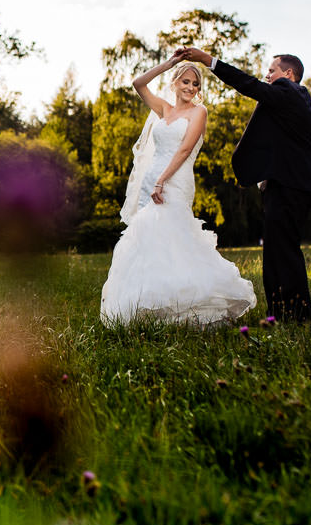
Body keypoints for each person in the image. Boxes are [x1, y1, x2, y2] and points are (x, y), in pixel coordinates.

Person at [100, 50, 256, 325]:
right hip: (152, 178)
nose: (191, 88)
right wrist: (170, 63)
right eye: (185, 82)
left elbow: (185, 149)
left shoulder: (200, 112)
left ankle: (188, 300)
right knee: (151, 237)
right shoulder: (164, 109)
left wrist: (163, 180)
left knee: (174, 233)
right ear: (174, 83)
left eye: (195, 84)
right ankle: (152, 304)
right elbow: (138, 83)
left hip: (176, 179)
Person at [179, 47, 311, 322]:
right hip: (285, 186)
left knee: (284, 252)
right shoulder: (291, 104)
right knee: (277, 251)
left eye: (271, 71)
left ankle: (296, 316)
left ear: (289, 74)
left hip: (288, 187)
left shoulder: (291, 93)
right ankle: (281, 312)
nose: (266, 76)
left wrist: (208, 61)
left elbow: (247, 84)